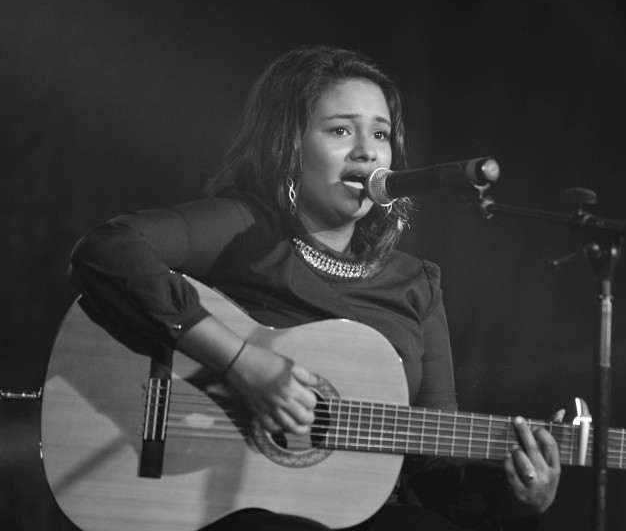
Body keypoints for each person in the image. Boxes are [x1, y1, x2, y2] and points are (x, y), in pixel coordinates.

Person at [68, 45, 561, 530]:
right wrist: (244, 364)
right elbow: (110, 248)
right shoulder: (245, 226)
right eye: (341, 130)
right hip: (229, 507)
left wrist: (520, 497)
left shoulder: (417, 285)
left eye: (381, 133)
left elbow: (433, 466)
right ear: (288, 145)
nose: (368, 150)